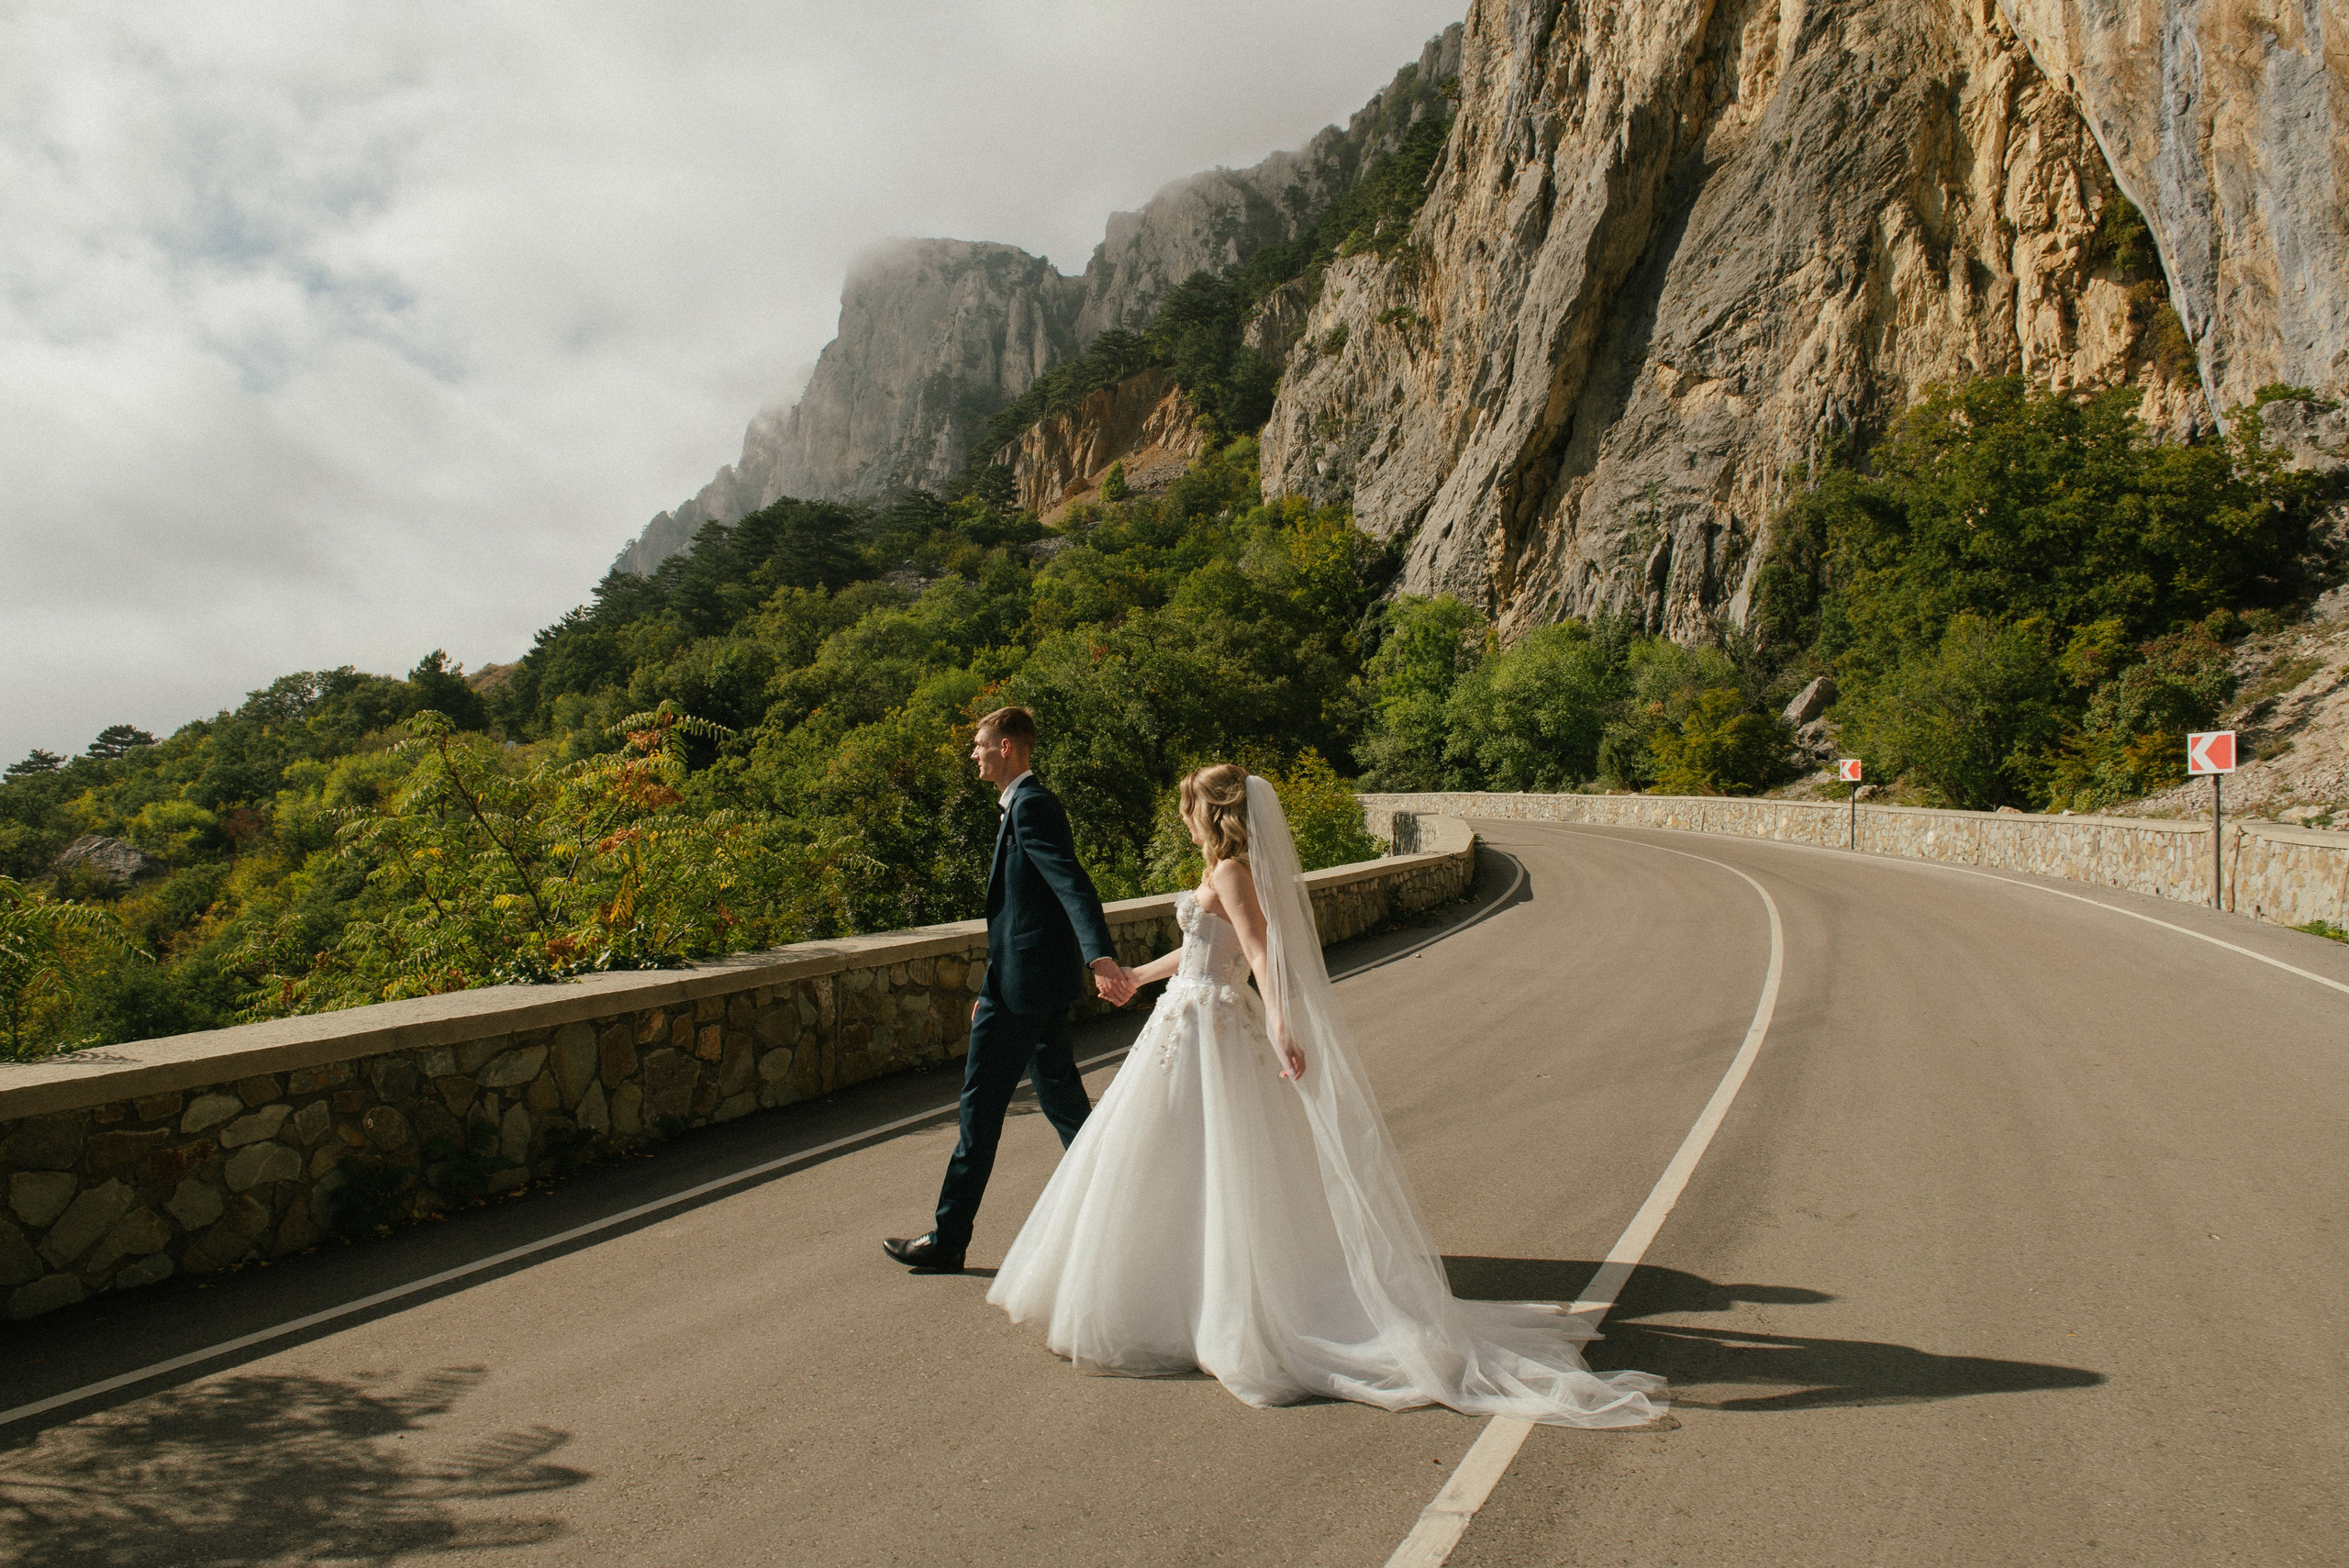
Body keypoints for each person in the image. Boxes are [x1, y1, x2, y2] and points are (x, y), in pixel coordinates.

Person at [985, 764, 1666, 1427]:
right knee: (1176, 1164)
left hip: (1210, 1028)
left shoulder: (1229, 870)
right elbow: (1204, 948)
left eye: (1189, 806)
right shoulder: (1219, 869)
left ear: (1212, 812)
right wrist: (1138, 974)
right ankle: (1179, 1294)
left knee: (1203, 1165)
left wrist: (1280, 1020)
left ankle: (1197, 1305)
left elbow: (1257, 951)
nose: (1183, 817)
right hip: (1186, 1017)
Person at [883, 706, 1135, 1273]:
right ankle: (1134, 1212)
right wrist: (992, 984)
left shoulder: (1033, 805)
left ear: (1007, 748)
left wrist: (1099, 956)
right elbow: (1023, 915)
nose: (972, 753)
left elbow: (1071, 883)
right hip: (1021, 987)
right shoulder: (1020, 806)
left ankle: (948, 1241)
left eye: (979, 744)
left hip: (1023, 995)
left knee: (980, 1114)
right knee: (1069, 1109)